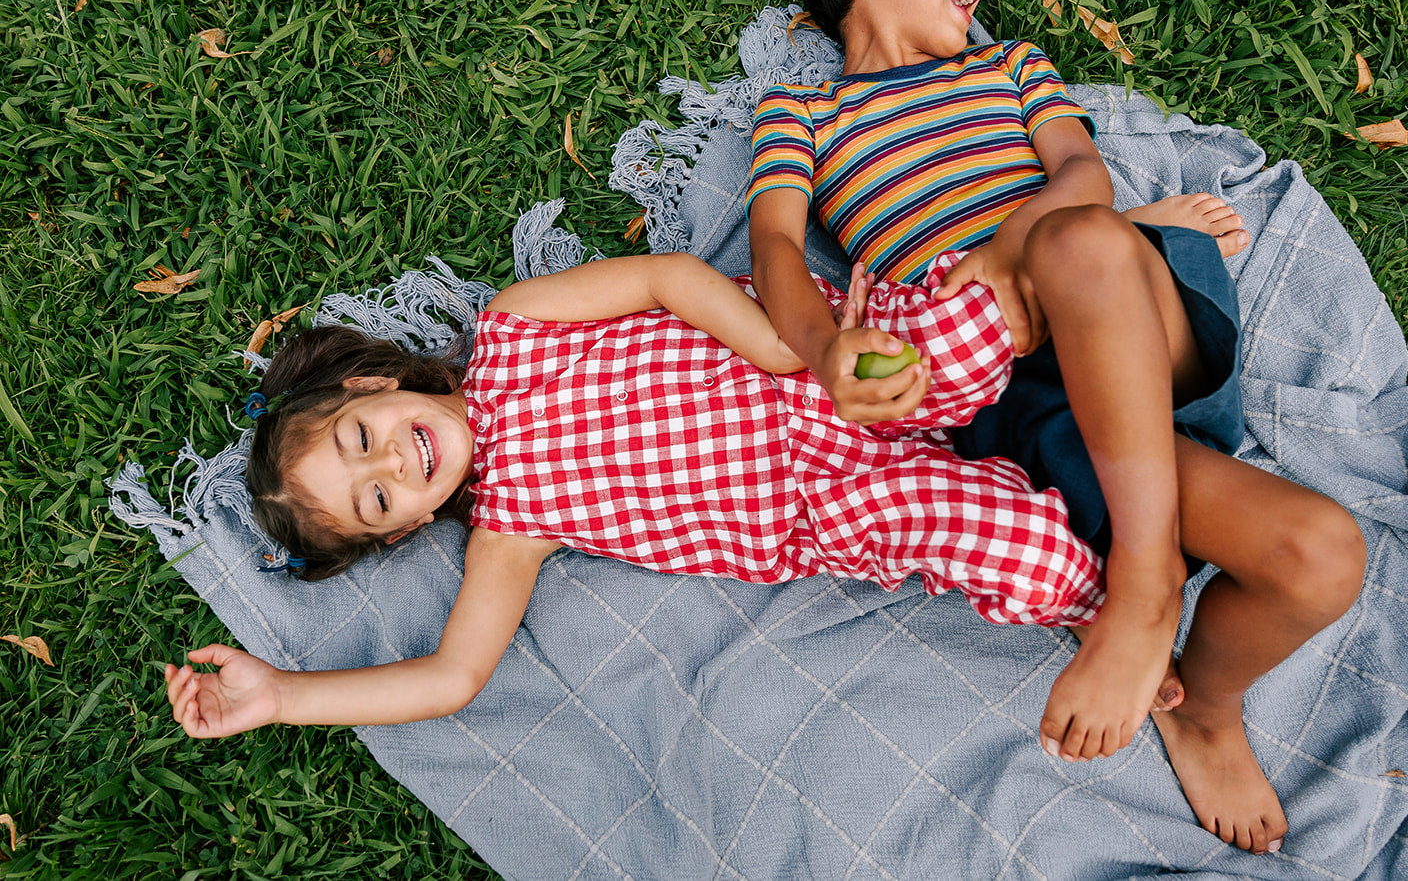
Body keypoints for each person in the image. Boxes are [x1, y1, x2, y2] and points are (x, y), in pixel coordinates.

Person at [745, 0, 1367, 855]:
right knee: (1319, 555)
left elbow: (1081, 175)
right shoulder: (802, 112)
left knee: (1080, 238)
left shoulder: (1009, 66)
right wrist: (824, 349)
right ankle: (1201, 702)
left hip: (1126, 317)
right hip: (1015, 398)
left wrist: (1006, 250)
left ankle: (1142, 589)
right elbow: (775, 244)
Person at [166, 252, 1122, 747]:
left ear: (373, 388)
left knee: (974, 322)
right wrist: (284, 696)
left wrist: (788, 349)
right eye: (377, 500)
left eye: (359, 440)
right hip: (823, 500)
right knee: (1008, 546)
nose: (393, 465)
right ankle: (1109, 619)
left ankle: (1125, 271)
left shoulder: (515, 324)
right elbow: (452, 678)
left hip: (816, 368)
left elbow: (665, 279)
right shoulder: (509, 529)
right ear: (413, 525)